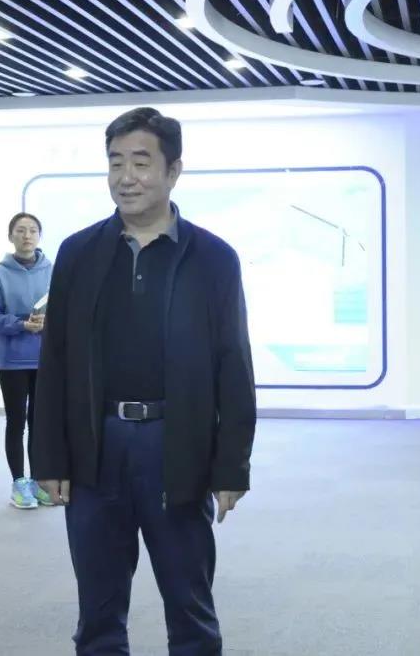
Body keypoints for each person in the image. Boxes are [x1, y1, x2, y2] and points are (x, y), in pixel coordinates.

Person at [31, 107, 257, 655]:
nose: (126, 177)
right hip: (96, 447)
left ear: (173, 171)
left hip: (175, 446)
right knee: (99, 611)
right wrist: (49, 459)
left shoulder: (213, 258)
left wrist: (232, 465)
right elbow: (55, 360)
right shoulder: (79, 253)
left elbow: (234, 364)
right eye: (115, 163)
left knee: (190, 605)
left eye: (140, 162)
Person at [0, 211, 54, 509]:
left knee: (40, 423)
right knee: (16, 422)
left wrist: (49, 322)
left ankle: (39, 481)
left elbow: (66, 310)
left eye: (32, 230)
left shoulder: (53, 271)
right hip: (13, 361)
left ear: (39, 236)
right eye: (20, 230)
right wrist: (21, 325)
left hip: (46, 359)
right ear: (10, 236)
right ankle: (19, 483)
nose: (27, 235)